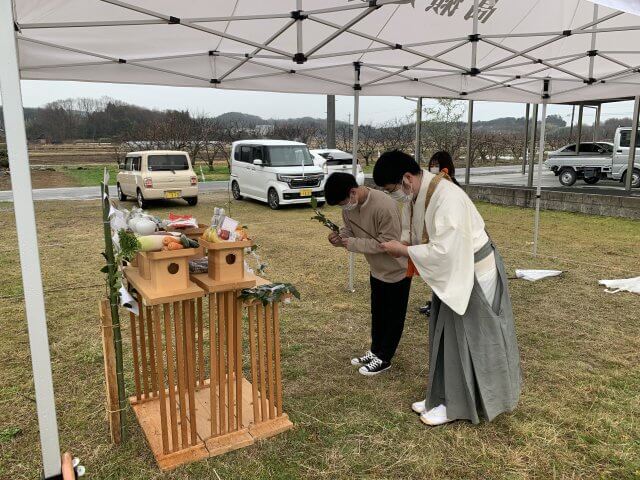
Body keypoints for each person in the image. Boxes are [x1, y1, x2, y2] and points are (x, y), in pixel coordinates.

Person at [373, 150, 521, 426]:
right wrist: (401, 247)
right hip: (453, 274)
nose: (394, 196)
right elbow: (414, 231)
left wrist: (405, 250)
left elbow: (445, 251)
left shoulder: (446, 196)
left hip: (472, 273)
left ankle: (457, 406)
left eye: (391, 189)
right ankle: (439, 397)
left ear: (406, 178)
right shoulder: (421, 192)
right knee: (444, 336)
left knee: (468, 341)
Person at [324, 172, 411, 376]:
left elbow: (389, 244)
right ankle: (375, 351)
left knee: (394, 317)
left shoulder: (384, 206)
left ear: (353, 192)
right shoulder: (350, 208)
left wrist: (352, 244)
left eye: (343, 203)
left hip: (398, 269)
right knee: (378, 313)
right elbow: (350, 231)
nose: (343, 208)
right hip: (377, 269)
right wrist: (339, 238)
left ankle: (385, 358)